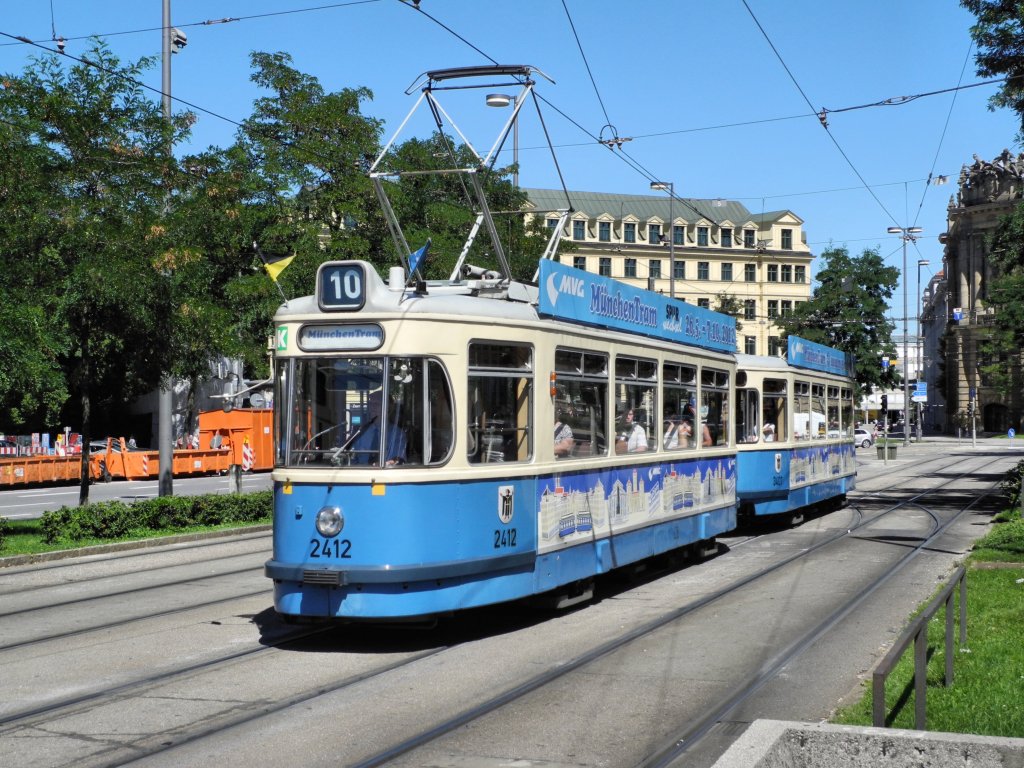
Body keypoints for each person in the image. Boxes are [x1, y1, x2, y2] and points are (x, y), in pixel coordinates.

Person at [353, 390, 407, 466]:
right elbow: (352, 456)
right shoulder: (360, 431)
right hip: (360, 472)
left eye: (377, 404)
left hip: (385, 473)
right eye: (371, 404)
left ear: (388, 407)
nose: (372, 407)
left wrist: (382, 464)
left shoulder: (397, 434)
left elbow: (398, 459)